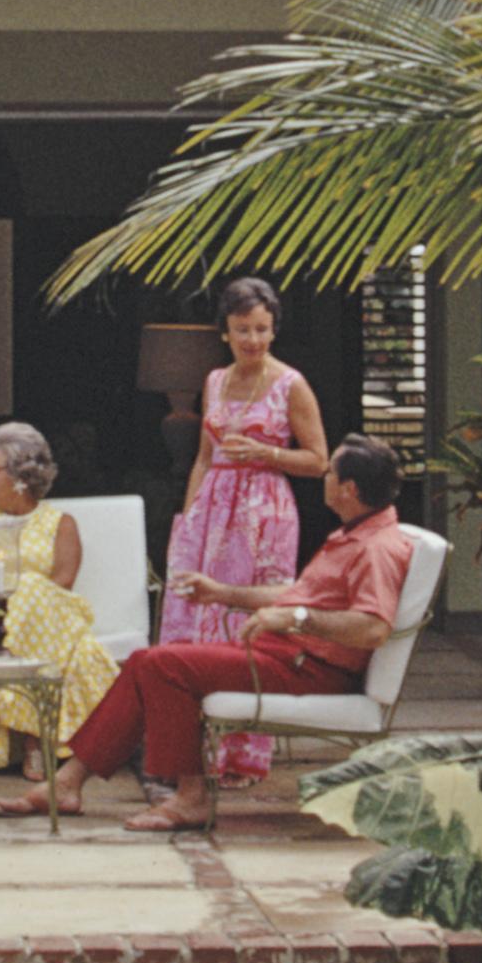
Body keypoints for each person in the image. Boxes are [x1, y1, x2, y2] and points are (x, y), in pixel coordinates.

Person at [38, 440, 408, 833]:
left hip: (309, 669)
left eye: (331, 471)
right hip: (283, 655)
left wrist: (296, 618)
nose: (324, 476)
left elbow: (372, 628)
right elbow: (296, 594)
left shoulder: (377, 548)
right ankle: (67, 782)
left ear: (349, 489)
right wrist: (222, 593)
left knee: (164, 665)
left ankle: (190, 798)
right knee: (155, 659)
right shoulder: (354, 534)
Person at [154, 274, 332, 791]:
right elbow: (204, 457)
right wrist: (189, 521)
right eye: (242, 330)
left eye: (262, 329)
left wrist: (270, 454)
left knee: (246, 623)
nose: (253, 340)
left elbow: (319, 460)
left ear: (274, 329)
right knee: (197, 616)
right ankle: (189, 749)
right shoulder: (213, 380)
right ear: (224, 332)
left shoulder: (290, 383)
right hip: (212, 509)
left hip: (264, 514)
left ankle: (244, 754)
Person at [0, 421, 119, 800]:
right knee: (79, 651)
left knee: (33, 588)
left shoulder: (61, 524)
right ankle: (35, 741)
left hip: (47, 617)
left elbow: (62, 584)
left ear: (21, 476)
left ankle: (0, 701)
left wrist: (20, 599)